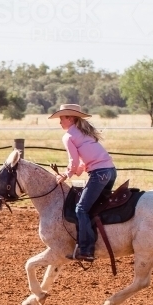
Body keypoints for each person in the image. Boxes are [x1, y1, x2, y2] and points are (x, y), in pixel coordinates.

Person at [49, 104, 117, 262]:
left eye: (62, 118)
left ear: (70, 118)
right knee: (95, 206)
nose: (60, 122)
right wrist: (76, 171)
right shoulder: (85, 132)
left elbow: (73, 161)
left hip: (99, 174)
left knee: (81, 209)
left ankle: (86, 249)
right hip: (110, 172)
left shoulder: (68, 136)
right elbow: (86, 161)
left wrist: (65, 175)